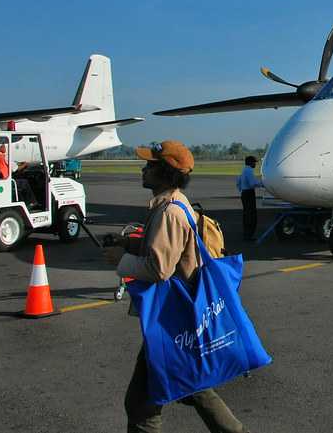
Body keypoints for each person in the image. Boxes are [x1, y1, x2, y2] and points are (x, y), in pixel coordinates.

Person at [103, 139, 250, 433]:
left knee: (141, 405)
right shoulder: (175, 204)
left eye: (150, 166)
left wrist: (122, 259)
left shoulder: (169, 212)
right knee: (193, 386)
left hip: (172, 321)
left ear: (166, 173)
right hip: (180, 318)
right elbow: (170, 250)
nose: (144, 170)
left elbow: (159, 269)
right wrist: (130, 242)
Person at [236, 156, 263, 241]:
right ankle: (249, 235)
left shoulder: (244, 170)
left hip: (244, 193)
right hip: (249, 193)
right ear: (250, 163)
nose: (255, 164)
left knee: (246, 214)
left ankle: (246, 234)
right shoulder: (249, 171)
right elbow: (252, 184)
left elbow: (238, 183)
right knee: (251, 215)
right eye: (254, 162)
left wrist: (242, 189)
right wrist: (262, 183)